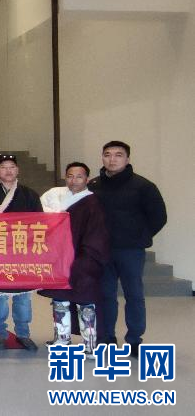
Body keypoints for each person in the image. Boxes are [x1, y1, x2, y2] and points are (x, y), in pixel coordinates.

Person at [89, 141, 166, 356]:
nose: (112, 159)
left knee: (134, 295)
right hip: (102, 250)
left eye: (118, 155)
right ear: (102, 157)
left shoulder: (143, 186)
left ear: (127, 159)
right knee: (105, 295)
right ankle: (106, 338)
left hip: (131, 250)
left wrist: (139, 236)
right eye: (107, 154)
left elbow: (159, 217)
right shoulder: (93, 186)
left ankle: (134, 340)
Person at [39, 162, 109, 356]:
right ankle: (62, 339)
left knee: (85, 302)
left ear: (87, 179)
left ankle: (90, 343)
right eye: (70, 176)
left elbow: (96, 234)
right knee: (59, 299)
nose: (74, 180)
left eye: (79, 176)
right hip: (59, 259)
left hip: (84, 260)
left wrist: (87, 259)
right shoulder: (56, 199)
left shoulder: (92, 202)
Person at [0, 154, 43, 351]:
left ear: (17, 170)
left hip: (22, 253)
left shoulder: (29, 194)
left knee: (23, 297)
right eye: (3, 167)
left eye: (12, 167)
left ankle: (23, 334)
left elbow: (39, 223)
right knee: (0, 298)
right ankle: (0, 334)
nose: (8, 171)